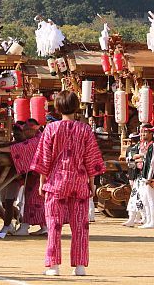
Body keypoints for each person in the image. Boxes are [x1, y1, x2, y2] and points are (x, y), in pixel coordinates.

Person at [31, 91, 105, 277]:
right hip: (79, 181)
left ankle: (53, 266)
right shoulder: (85, 129)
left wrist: (42, 181)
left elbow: (44, 159)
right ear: (76, 106)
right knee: (80, 226)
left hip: (56, 182)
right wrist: (92, 182)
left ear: (57, 107)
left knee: (54, 225)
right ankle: (80, 266)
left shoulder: (51, 129)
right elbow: (91, 159)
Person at [123, 132, 144, 227]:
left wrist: (136, 158)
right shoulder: (131, 148)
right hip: (135, 174)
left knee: (143, 198)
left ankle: (143, 217)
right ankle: (133, 217)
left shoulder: (146, 147)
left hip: (142, 175)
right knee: (135, 197)